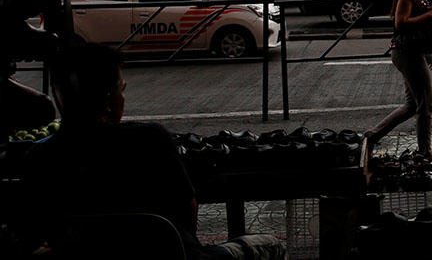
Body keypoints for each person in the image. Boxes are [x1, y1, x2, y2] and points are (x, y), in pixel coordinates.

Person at [21, 44, 286, 260]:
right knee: (272, 245)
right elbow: (186, 207)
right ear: (108, 98)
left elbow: (34, 231)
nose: (122, 98)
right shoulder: (149, 139)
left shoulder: (39, 157)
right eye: (120, 90)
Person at [364, 0, 432, 157]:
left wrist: (429, 54)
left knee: (412, 104)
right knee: (426, 104)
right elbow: (401, 23)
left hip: (413, 52)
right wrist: (430, 14)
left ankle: (372, 135)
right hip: (408, 53)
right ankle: (425, 152)